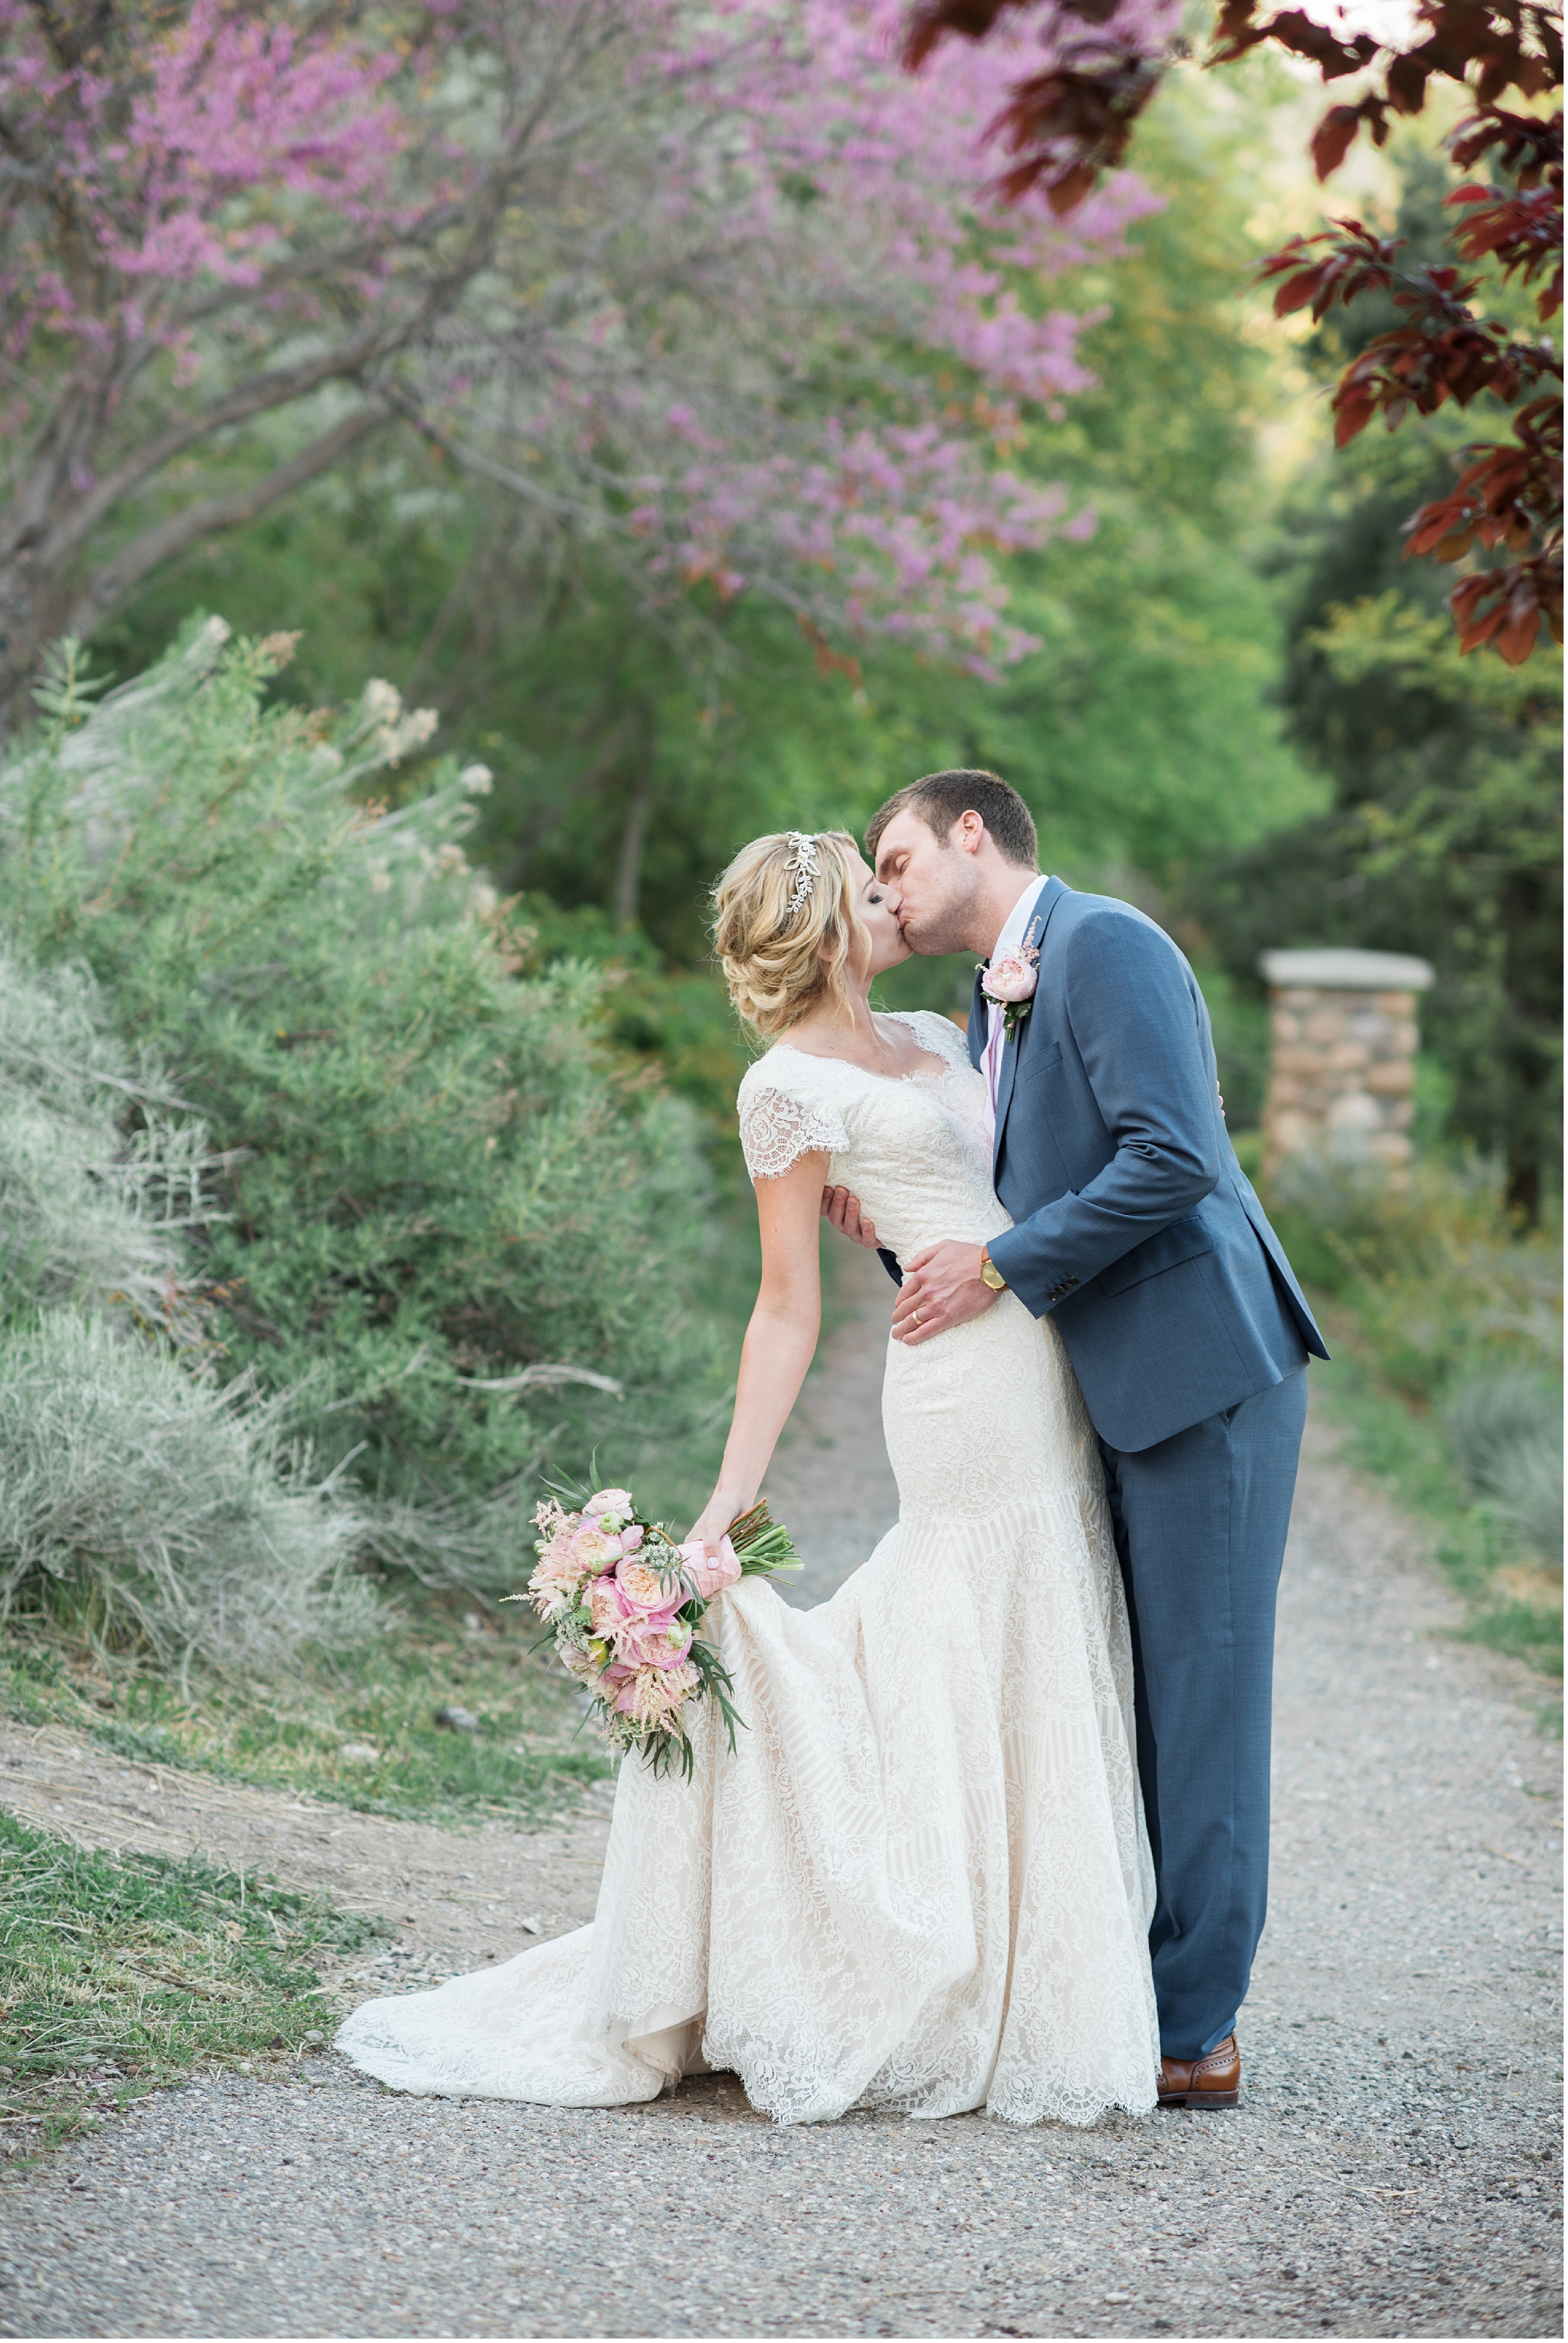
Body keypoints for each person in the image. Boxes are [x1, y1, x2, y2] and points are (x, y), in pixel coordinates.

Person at [337, 826, 1164, 2127]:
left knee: (1034, 1625)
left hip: (1044, 1364)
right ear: (831, 923)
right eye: (870, 883)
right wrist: (728, 1498)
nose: (894, 897)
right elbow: (783, 1308)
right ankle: (907, 1948)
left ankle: (1022, 1947)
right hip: (954, 1389)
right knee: (967, 1619)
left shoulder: (944, 1036)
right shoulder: (782, 1090)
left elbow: (1013, 1177)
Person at [823, 769, 1327, 2109]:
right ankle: (1130, 1988)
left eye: (897, 859)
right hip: (1106, 1383)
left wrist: (992, 1261)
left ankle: (1195, 2029)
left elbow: (1171, 1161)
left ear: (970, 834)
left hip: (1202, 1374)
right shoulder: (993, 1009)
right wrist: (907, 1242)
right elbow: (1019, 1210)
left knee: (1201, 1699)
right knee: (1128, 1689)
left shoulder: (1104, 943)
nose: (884, 890)